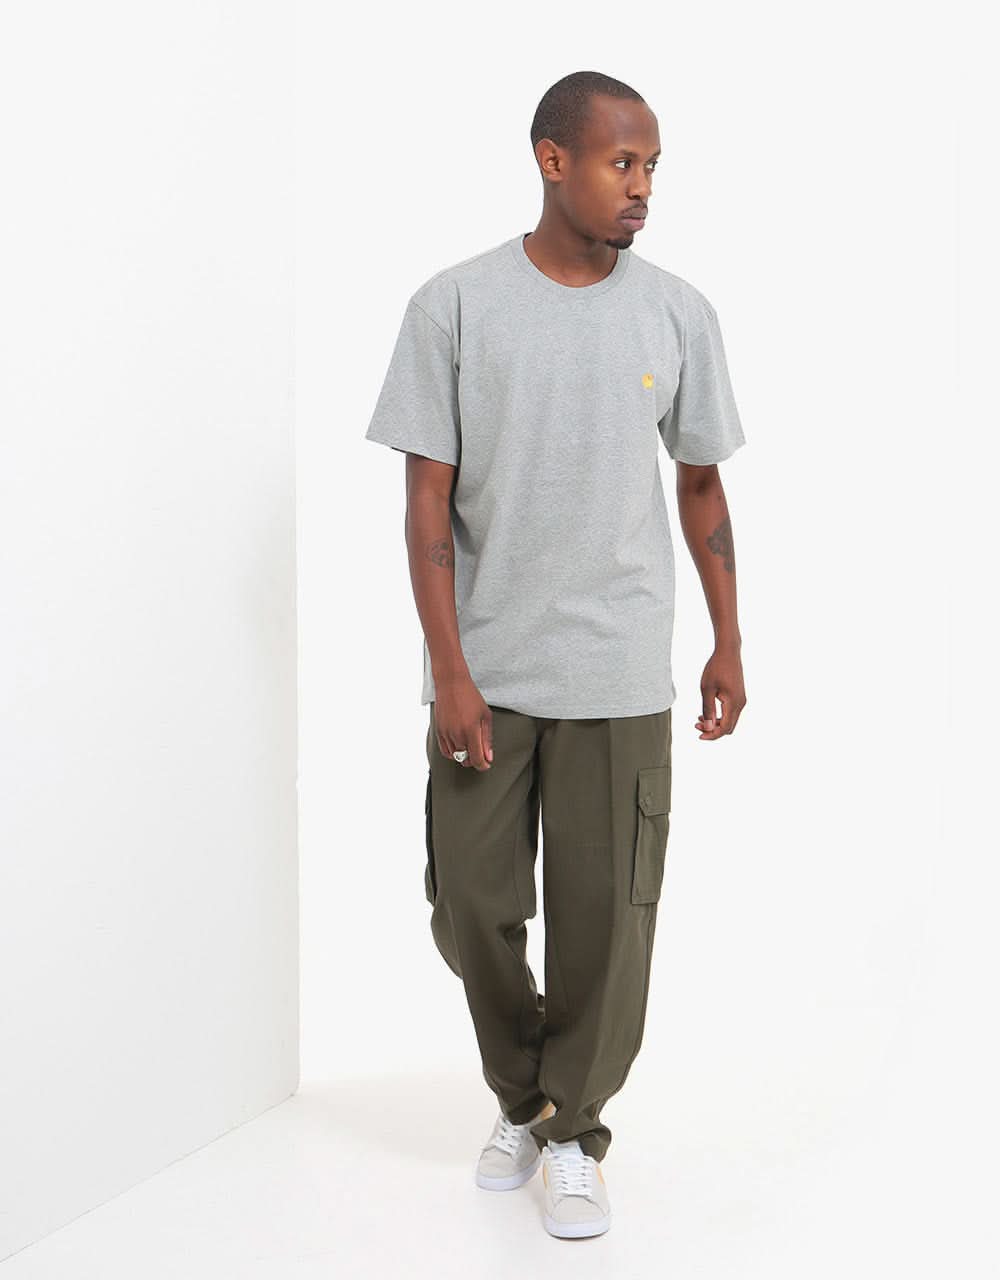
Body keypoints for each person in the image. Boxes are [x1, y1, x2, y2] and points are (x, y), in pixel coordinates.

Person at [363, 69, 748, 1240]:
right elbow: (426, 503)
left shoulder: (676, 312)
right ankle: (527, 1097)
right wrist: (451, 670)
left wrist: (730, 638)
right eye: (622, 163)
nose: (641, 188)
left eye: (652, 167)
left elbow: (699, 484)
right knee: (468, 905)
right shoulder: (454, 306)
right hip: (487, 669)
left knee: (606, 923)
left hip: (617, 670)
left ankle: (570, 1130)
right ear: (552, 160)